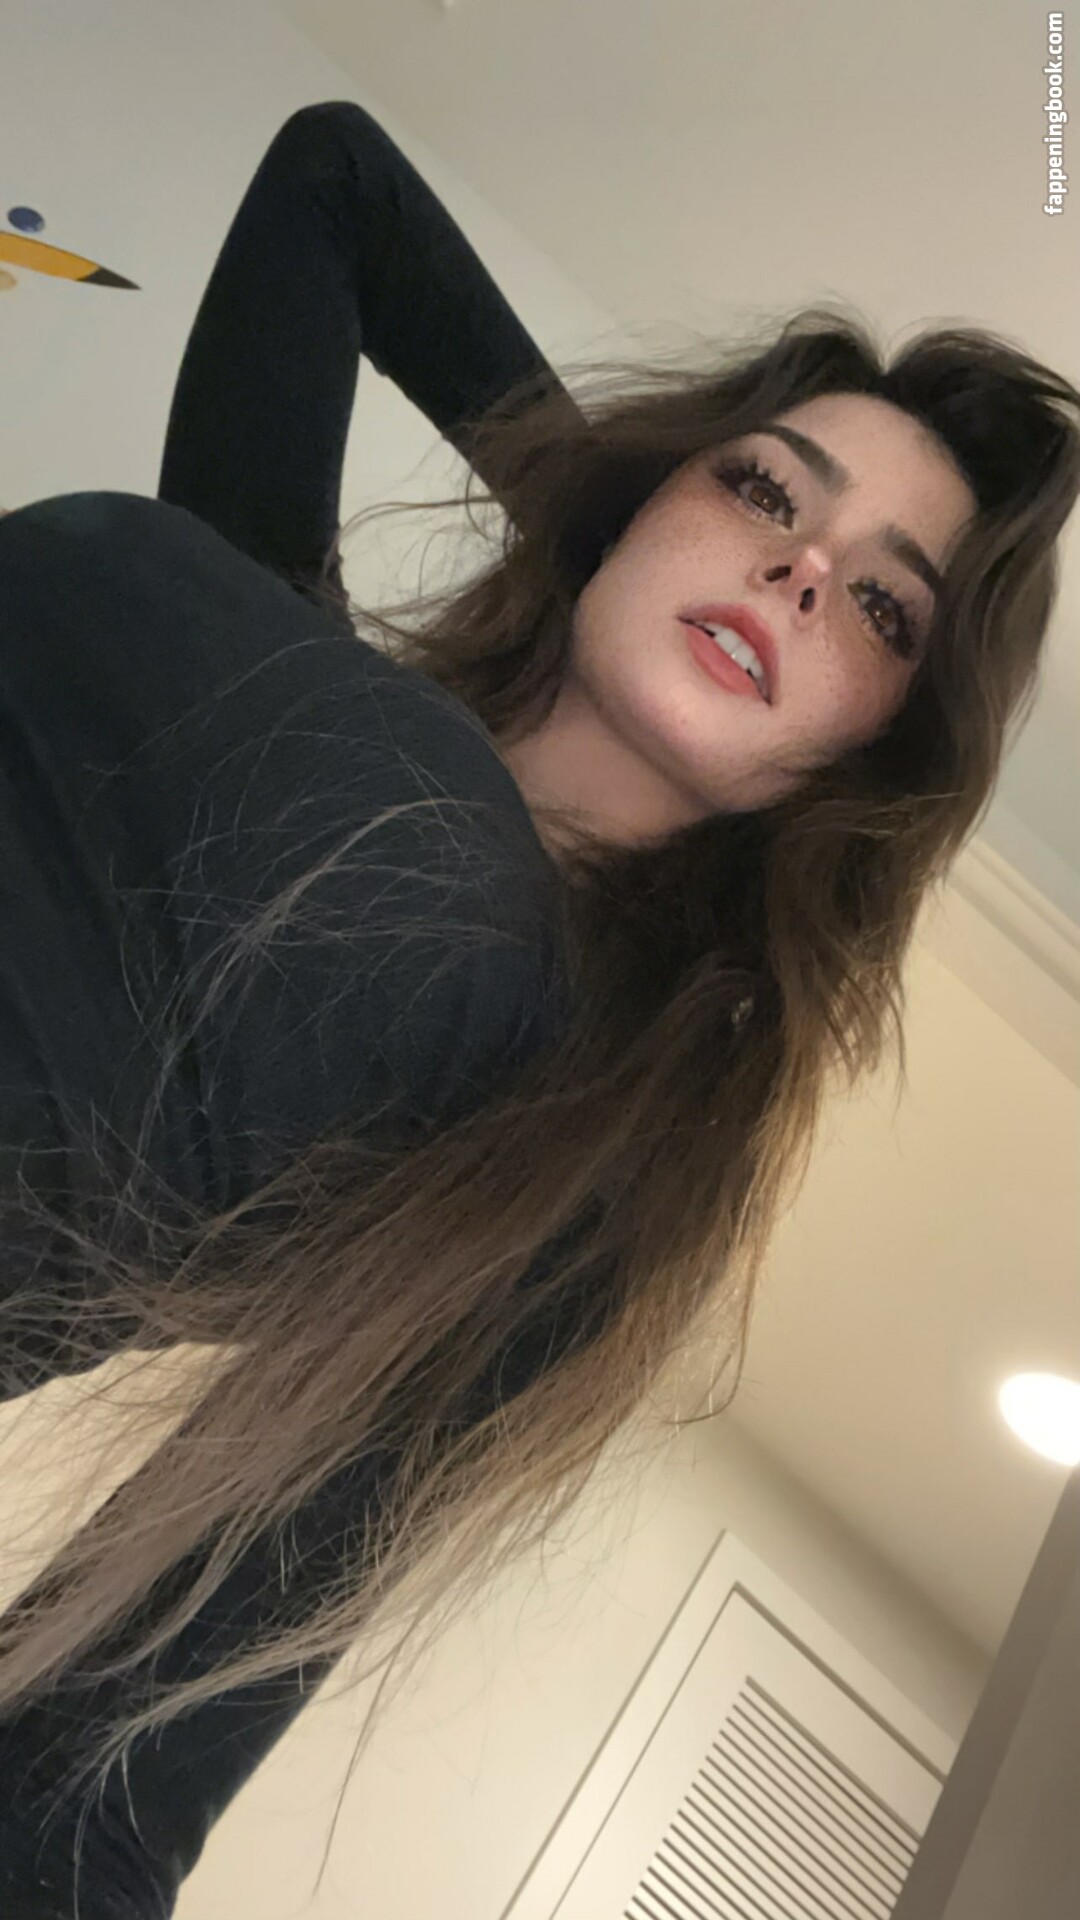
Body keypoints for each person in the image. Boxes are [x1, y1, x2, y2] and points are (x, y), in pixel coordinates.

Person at [0, 98, 1076, 1917]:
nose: (805, 568)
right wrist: (618, 532)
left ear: (867, 761)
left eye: (883, 613)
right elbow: (335, 180)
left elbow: (99, 1779)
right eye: (765, 490)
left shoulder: (570, 1146)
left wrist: (692, 544)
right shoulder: (264, 611)